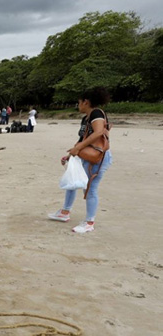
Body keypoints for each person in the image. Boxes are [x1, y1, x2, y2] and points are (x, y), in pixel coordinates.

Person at [48, 87, 113, 233]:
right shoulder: (86, 118)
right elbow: (82, 139)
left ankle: (89, 222)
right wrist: (71, 154)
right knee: (73, 181)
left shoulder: (96, 113)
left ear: (86, 102)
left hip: (97, 157)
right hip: (85, 154)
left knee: (90, 188)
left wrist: (78, 149)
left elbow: (98, 133)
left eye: (79, 102)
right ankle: (65, 212)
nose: (78, 105)